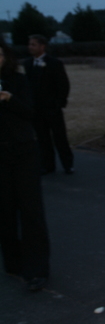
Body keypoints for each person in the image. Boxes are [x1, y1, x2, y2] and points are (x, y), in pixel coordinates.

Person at [0, 39, 51, 292]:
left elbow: (31, 113)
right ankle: (13, 263)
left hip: (24, 152)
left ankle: (37, 270)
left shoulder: (18, 80)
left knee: (31, 212)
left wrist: (9, 98)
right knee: (5, 212)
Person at [23, 34, 74, 174]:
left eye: (33, 44)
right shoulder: (27, 64)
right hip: (36, 109)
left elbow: (63, 85)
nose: (30, 47)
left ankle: (68, 164)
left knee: (60, 137)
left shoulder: (54, 63)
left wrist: (59, 104)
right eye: (29, 44)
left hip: (52, 108)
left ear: (42, 46)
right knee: (42, 138)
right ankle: (47, 165)